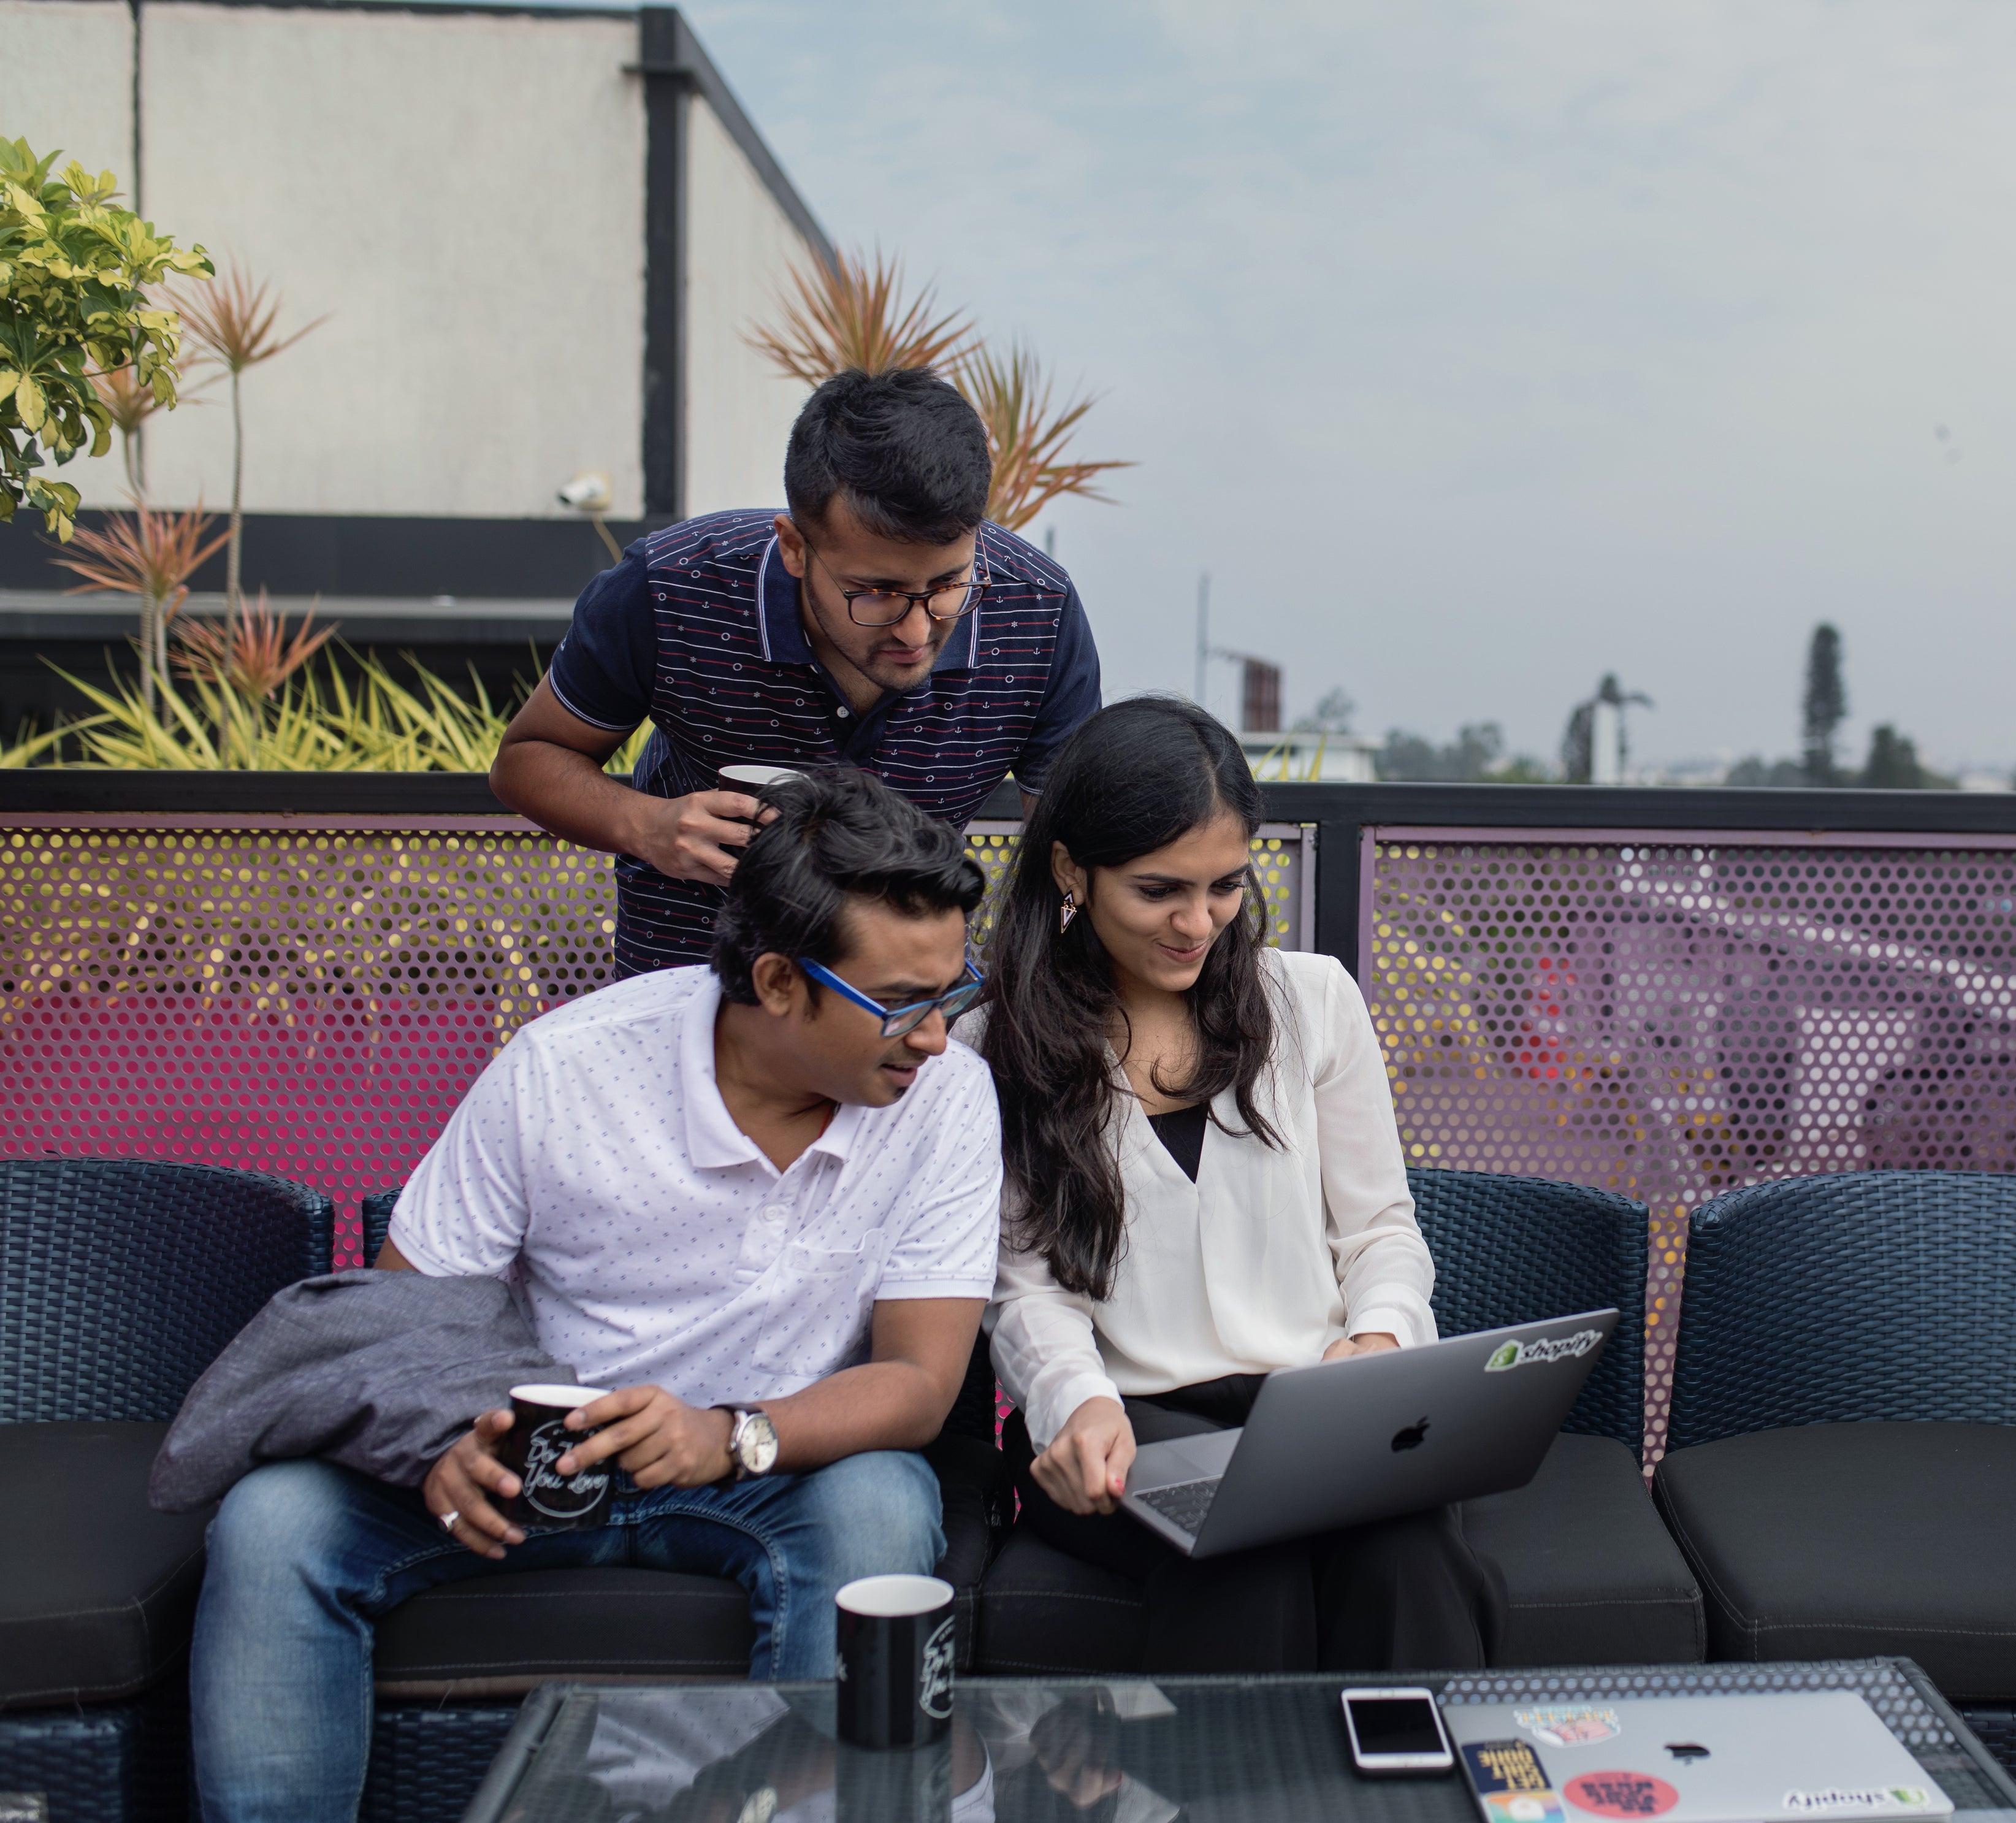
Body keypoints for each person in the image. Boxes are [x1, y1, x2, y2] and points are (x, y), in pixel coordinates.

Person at [189, 768, 1004, 1823]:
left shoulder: (945, 1095)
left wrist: (728, 1434)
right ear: (779, 980)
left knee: (883, 1500)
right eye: (900, 1003)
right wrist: (441, 1444)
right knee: (272, 1522)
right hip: (545, 1458)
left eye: (953, 990)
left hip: (766, 1462)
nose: (937, 1034)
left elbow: (919, 1379)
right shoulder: (567, 1068)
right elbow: (403, 1322)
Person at [964, 697, 1504, 1672]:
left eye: (1224, 887)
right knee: (1237, 1560)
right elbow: (1026, 1289)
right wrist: (1076, 1406)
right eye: (1159, 890)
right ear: (1069, 871)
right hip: (1130, 1417)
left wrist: (1377, 1342)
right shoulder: (993, 1046)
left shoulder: (1313, 1001)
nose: (1197, 922)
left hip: (1312, 1412)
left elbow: (1381, 1229)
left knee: (1409, 1553)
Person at [491, 365, 1103, 977]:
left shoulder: (1036, 613)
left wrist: (1038, 992)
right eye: (876, 592)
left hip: (909, 998)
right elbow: (527, 759)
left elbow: (1074, 860)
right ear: (793, 547)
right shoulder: (670, 588)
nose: (917, 632)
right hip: (687, 981)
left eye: (948, 585)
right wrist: (647, 826)